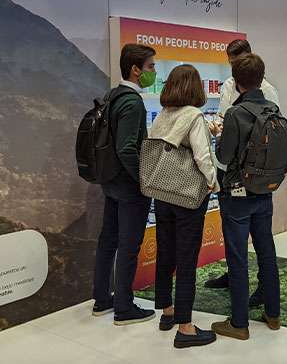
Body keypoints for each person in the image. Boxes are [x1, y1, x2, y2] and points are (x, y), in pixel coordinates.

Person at [211, 53, 281, 340]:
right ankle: (273, 314)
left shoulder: (235, 114)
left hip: (238, 195)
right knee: (267, 251)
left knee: (238, 256)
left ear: (236, 81)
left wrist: (218, 137)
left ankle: (239, 323)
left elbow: (224, 157)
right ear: (261, 78)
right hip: (265, 191)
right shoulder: (273, 110)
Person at [149, 64, 220, 348]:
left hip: (162, 191)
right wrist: (213, 181)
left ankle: (167, 311)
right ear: (194, 87)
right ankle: (186, 328)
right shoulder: (194, 116)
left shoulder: (162, 115)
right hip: (187, 195)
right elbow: (202, 156)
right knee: (187, 258)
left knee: (165, 251)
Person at [92, 44, 158, 325]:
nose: (154, 72)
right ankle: (124, 308)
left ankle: (102, 299)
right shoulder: (132, 103)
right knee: (129, 247)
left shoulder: (112, 96)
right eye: (151, 66)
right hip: (130, 187)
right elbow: (127, 148)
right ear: (135, 69)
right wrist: (144, 179)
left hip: (110, 182)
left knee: (108, 241)